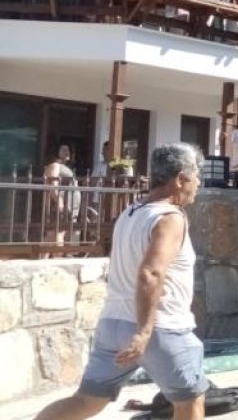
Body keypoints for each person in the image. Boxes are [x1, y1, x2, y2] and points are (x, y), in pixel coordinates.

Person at [34, 143, 208, 420]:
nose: (198, 183)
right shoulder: (170, 218)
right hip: (160, 329)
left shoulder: (131, 212)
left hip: (113, 325)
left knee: (86, 401)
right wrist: (144, 332)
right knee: (190, 403)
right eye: (196, 175)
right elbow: (151, 273)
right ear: (179, 179)